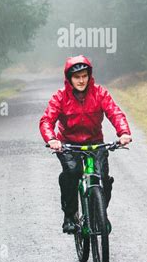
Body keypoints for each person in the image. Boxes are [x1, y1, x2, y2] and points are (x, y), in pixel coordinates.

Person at [39, 55, 132, 234]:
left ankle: (99, 213)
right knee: (72, 173)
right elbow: (46, 120)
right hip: (68, 145)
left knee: (103, 178)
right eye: (76, 77)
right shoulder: (60, 97)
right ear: (69, 78)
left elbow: (115, 113)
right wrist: (52, 139)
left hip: (95, 143)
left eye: (84, 76)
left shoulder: (99, 93)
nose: (81, 80)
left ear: (89, 76)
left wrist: (124, 133)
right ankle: (70, 215)